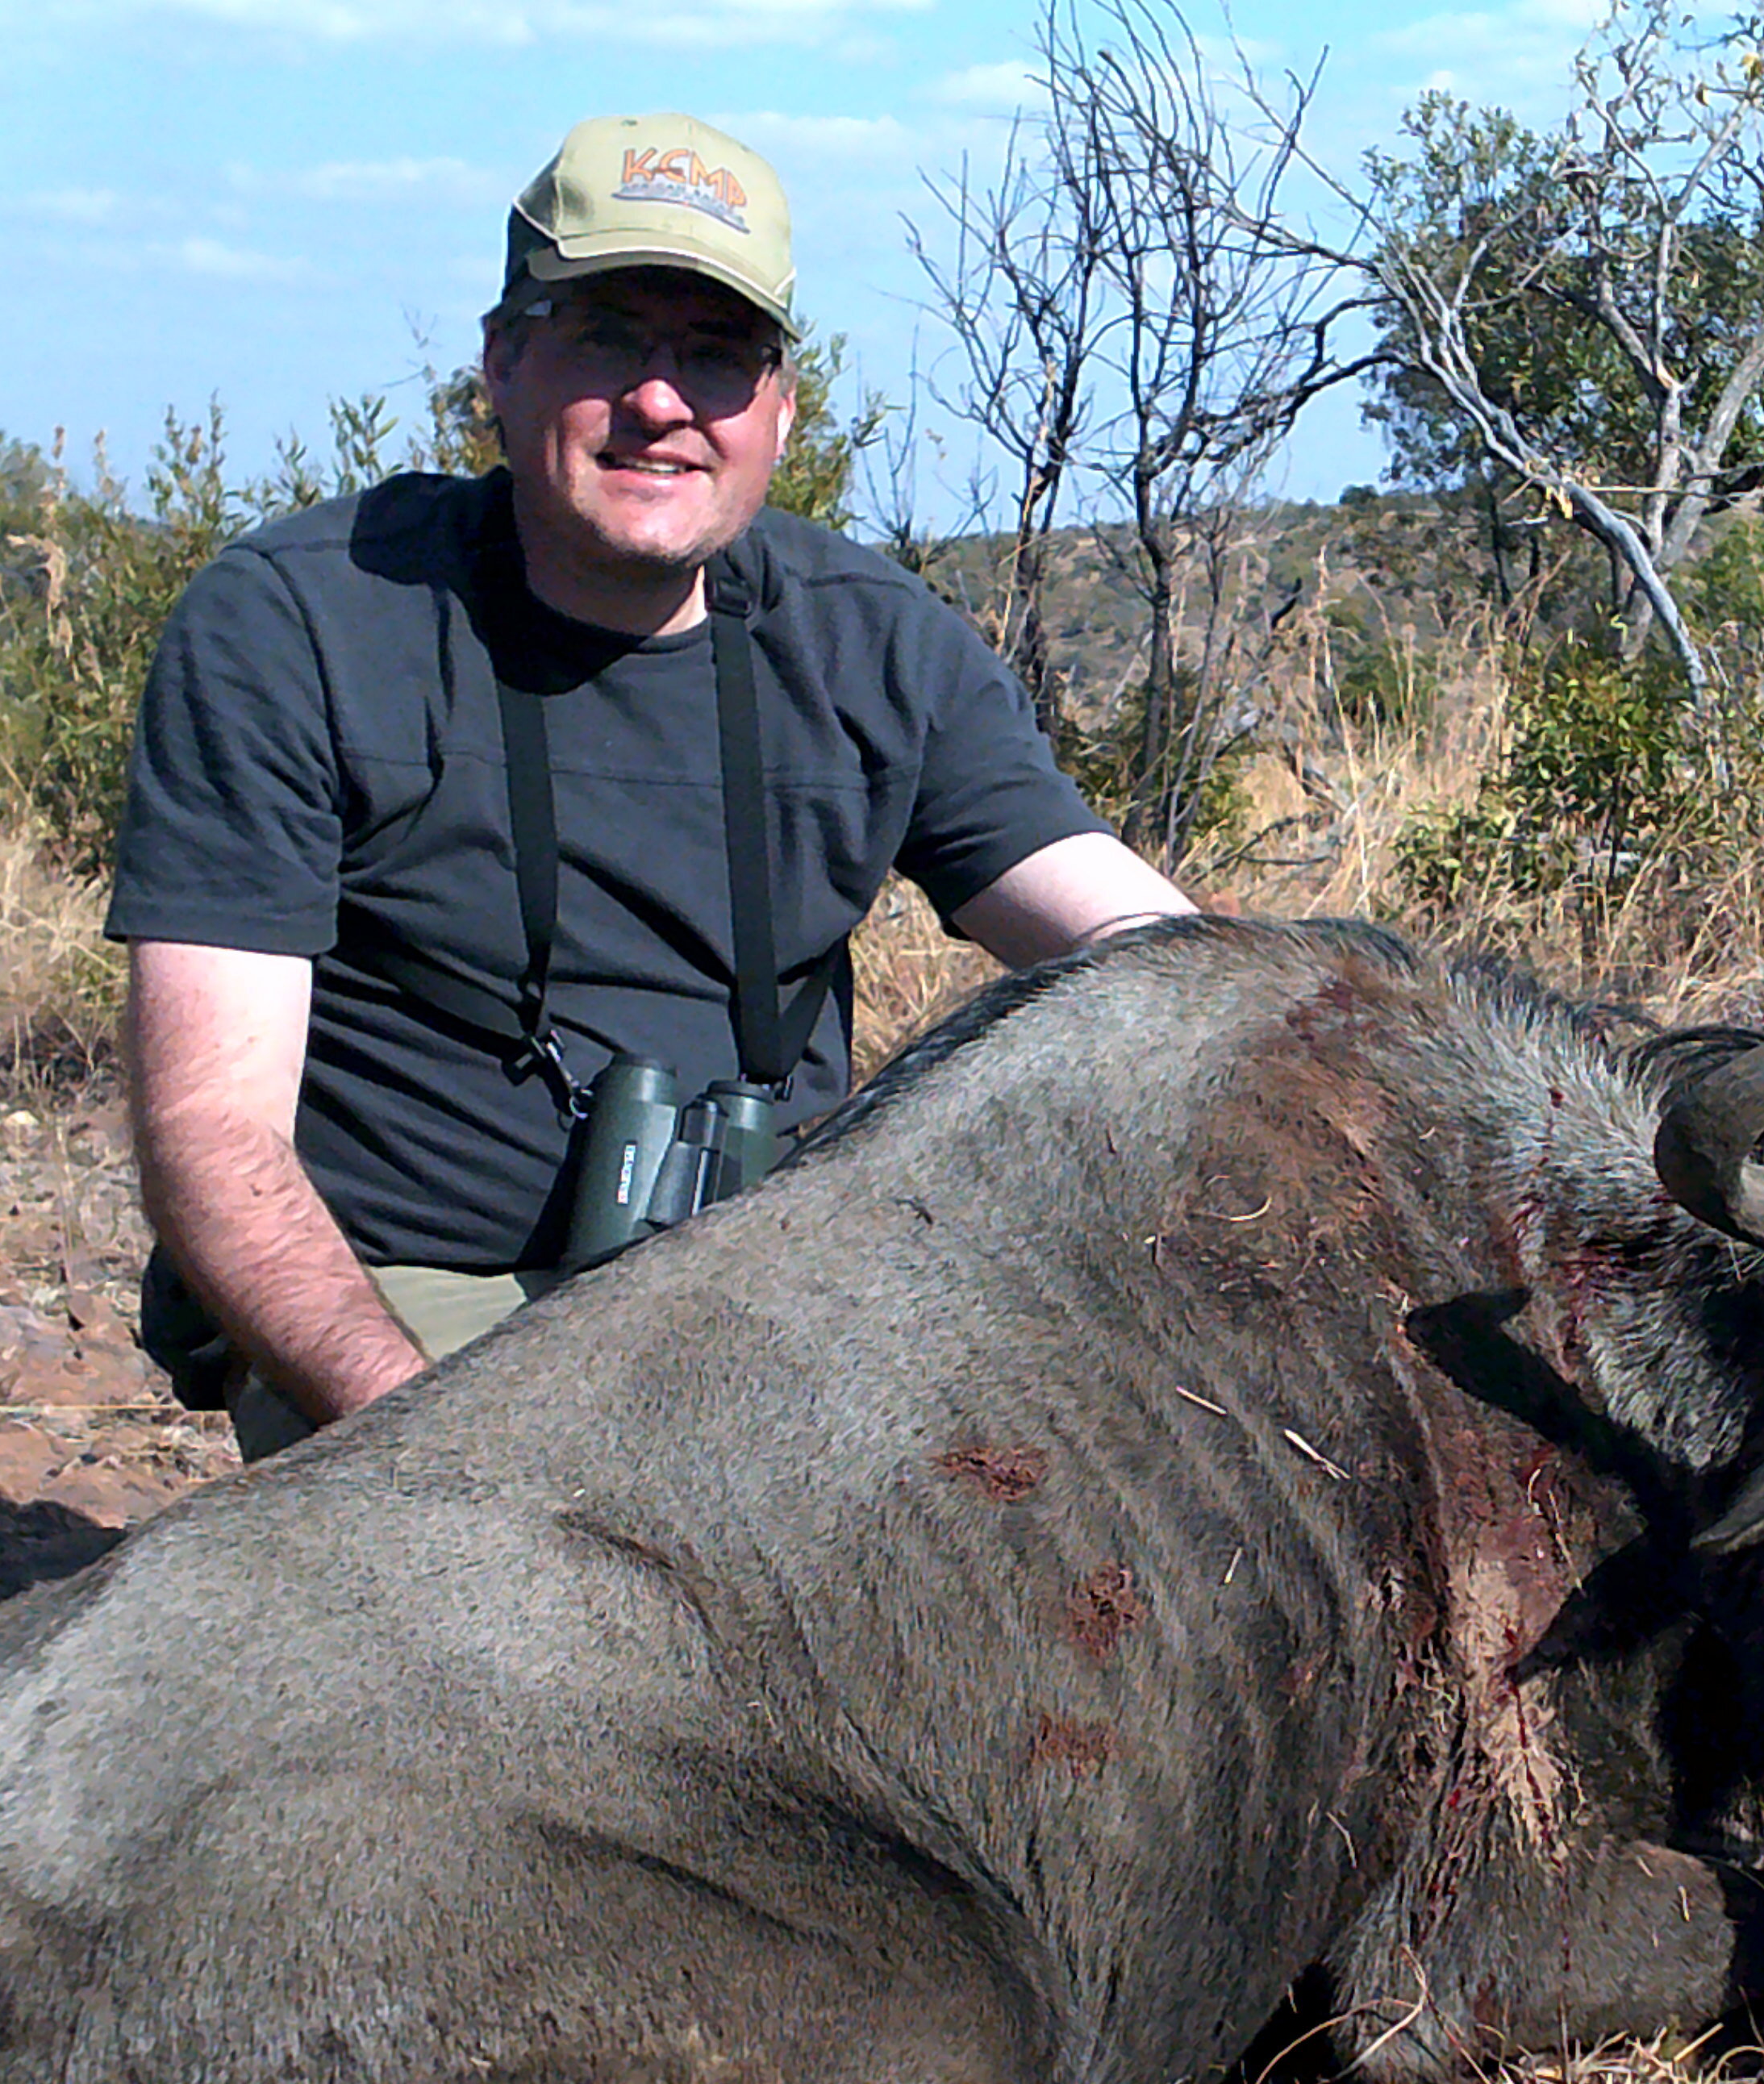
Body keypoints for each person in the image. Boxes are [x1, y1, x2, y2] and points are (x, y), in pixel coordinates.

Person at [107, 114, 1195, 1457]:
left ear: (781, 411)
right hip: (418, 1306)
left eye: (718, 356)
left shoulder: (876, 641)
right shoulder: (299, 622)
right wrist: (423, 1455)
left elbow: (1150, 956)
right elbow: (213, 1135)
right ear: (501, 365)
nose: (665, 402)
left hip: (773, 1302)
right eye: (610, 338)